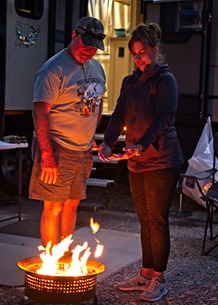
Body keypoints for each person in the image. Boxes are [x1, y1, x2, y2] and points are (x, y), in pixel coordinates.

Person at [97, 23, 184, 302]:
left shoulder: (165, 80)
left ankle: (159, 279)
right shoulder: (129, 82)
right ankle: (145, 274)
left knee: (157, 220)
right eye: (135, 53)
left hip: (162, 160)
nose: (139, 58)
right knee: (144, 220)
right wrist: (110, 141)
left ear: (155, 50)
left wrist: (141, 144)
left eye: (143, 52)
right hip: (136, 162)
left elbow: (164, 119)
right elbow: (119, 113)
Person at [29, 17, 106, 250]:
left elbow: (98, 102)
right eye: (86, 44)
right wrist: (47, 156)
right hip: (58, 147)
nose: (89, 51)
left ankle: (64, 256)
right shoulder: (54, 68)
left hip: (82, 150)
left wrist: (91, 135)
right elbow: (40, 111)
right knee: (53, 206)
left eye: (94, 47)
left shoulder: (97, 68)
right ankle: (50, 262)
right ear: (74, 36)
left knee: (72, 204)